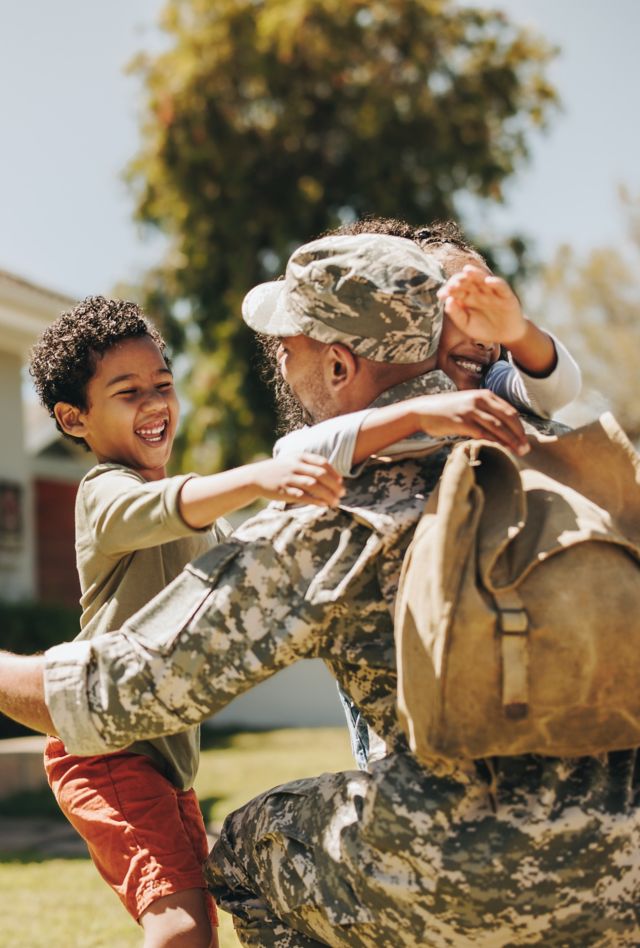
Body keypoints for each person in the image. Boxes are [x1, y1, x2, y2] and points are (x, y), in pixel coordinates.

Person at [1, 234, 638, 946]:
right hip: (629, 861)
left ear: (339, 364)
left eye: (288, 344)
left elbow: (119, 693)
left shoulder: (331, 514)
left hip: (473, 877)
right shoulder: (567, 465)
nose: (277, 356)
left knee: (245, 852)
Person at [27, 296, 343, 948]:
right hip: (107, 750)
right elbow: (167, 506)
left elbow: (252, 557)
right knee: (180, 926)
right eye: (127, 392)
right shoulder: (105, 492)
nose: (154, 403)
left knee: (196, 923)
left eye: (162, 385)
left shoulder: (191, 518)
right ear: (74, 418)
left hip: (165, 761)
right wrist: (262, 474)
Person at [264, 218, 580, 768]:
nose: (479, 332)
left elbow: (553, 384)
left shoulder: (494, 384)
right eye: (458, 309)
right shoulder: (405, 405)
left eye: (488, 312)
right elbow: (294, 455)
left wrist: (519, 332)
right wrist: (414, 413)